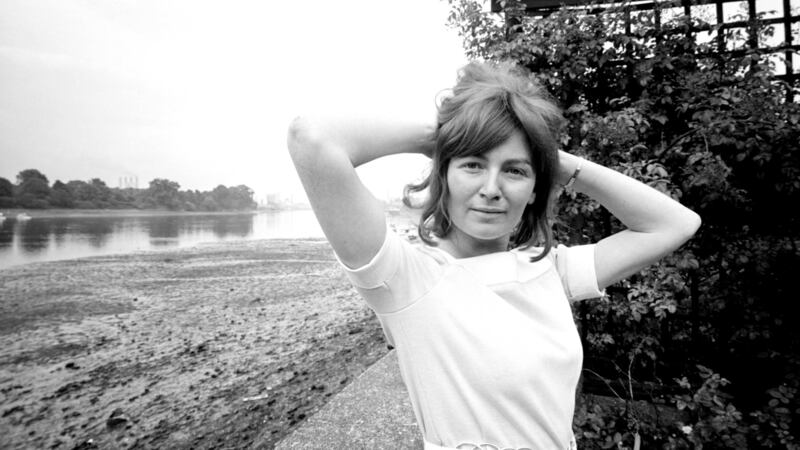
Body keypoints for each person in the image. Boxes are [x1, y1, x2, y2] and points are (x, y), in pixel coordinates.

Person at [287, 61, 700, 450]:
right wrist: (453, 132)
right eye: (472, 164)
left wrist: (558, 161)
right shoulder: (405, 279)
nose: (491, 188)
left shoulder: (549, 269)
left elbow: (674, 224)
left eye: (515, 170)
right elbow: (311, 138)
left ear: (537, 187)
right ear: (442, 174)